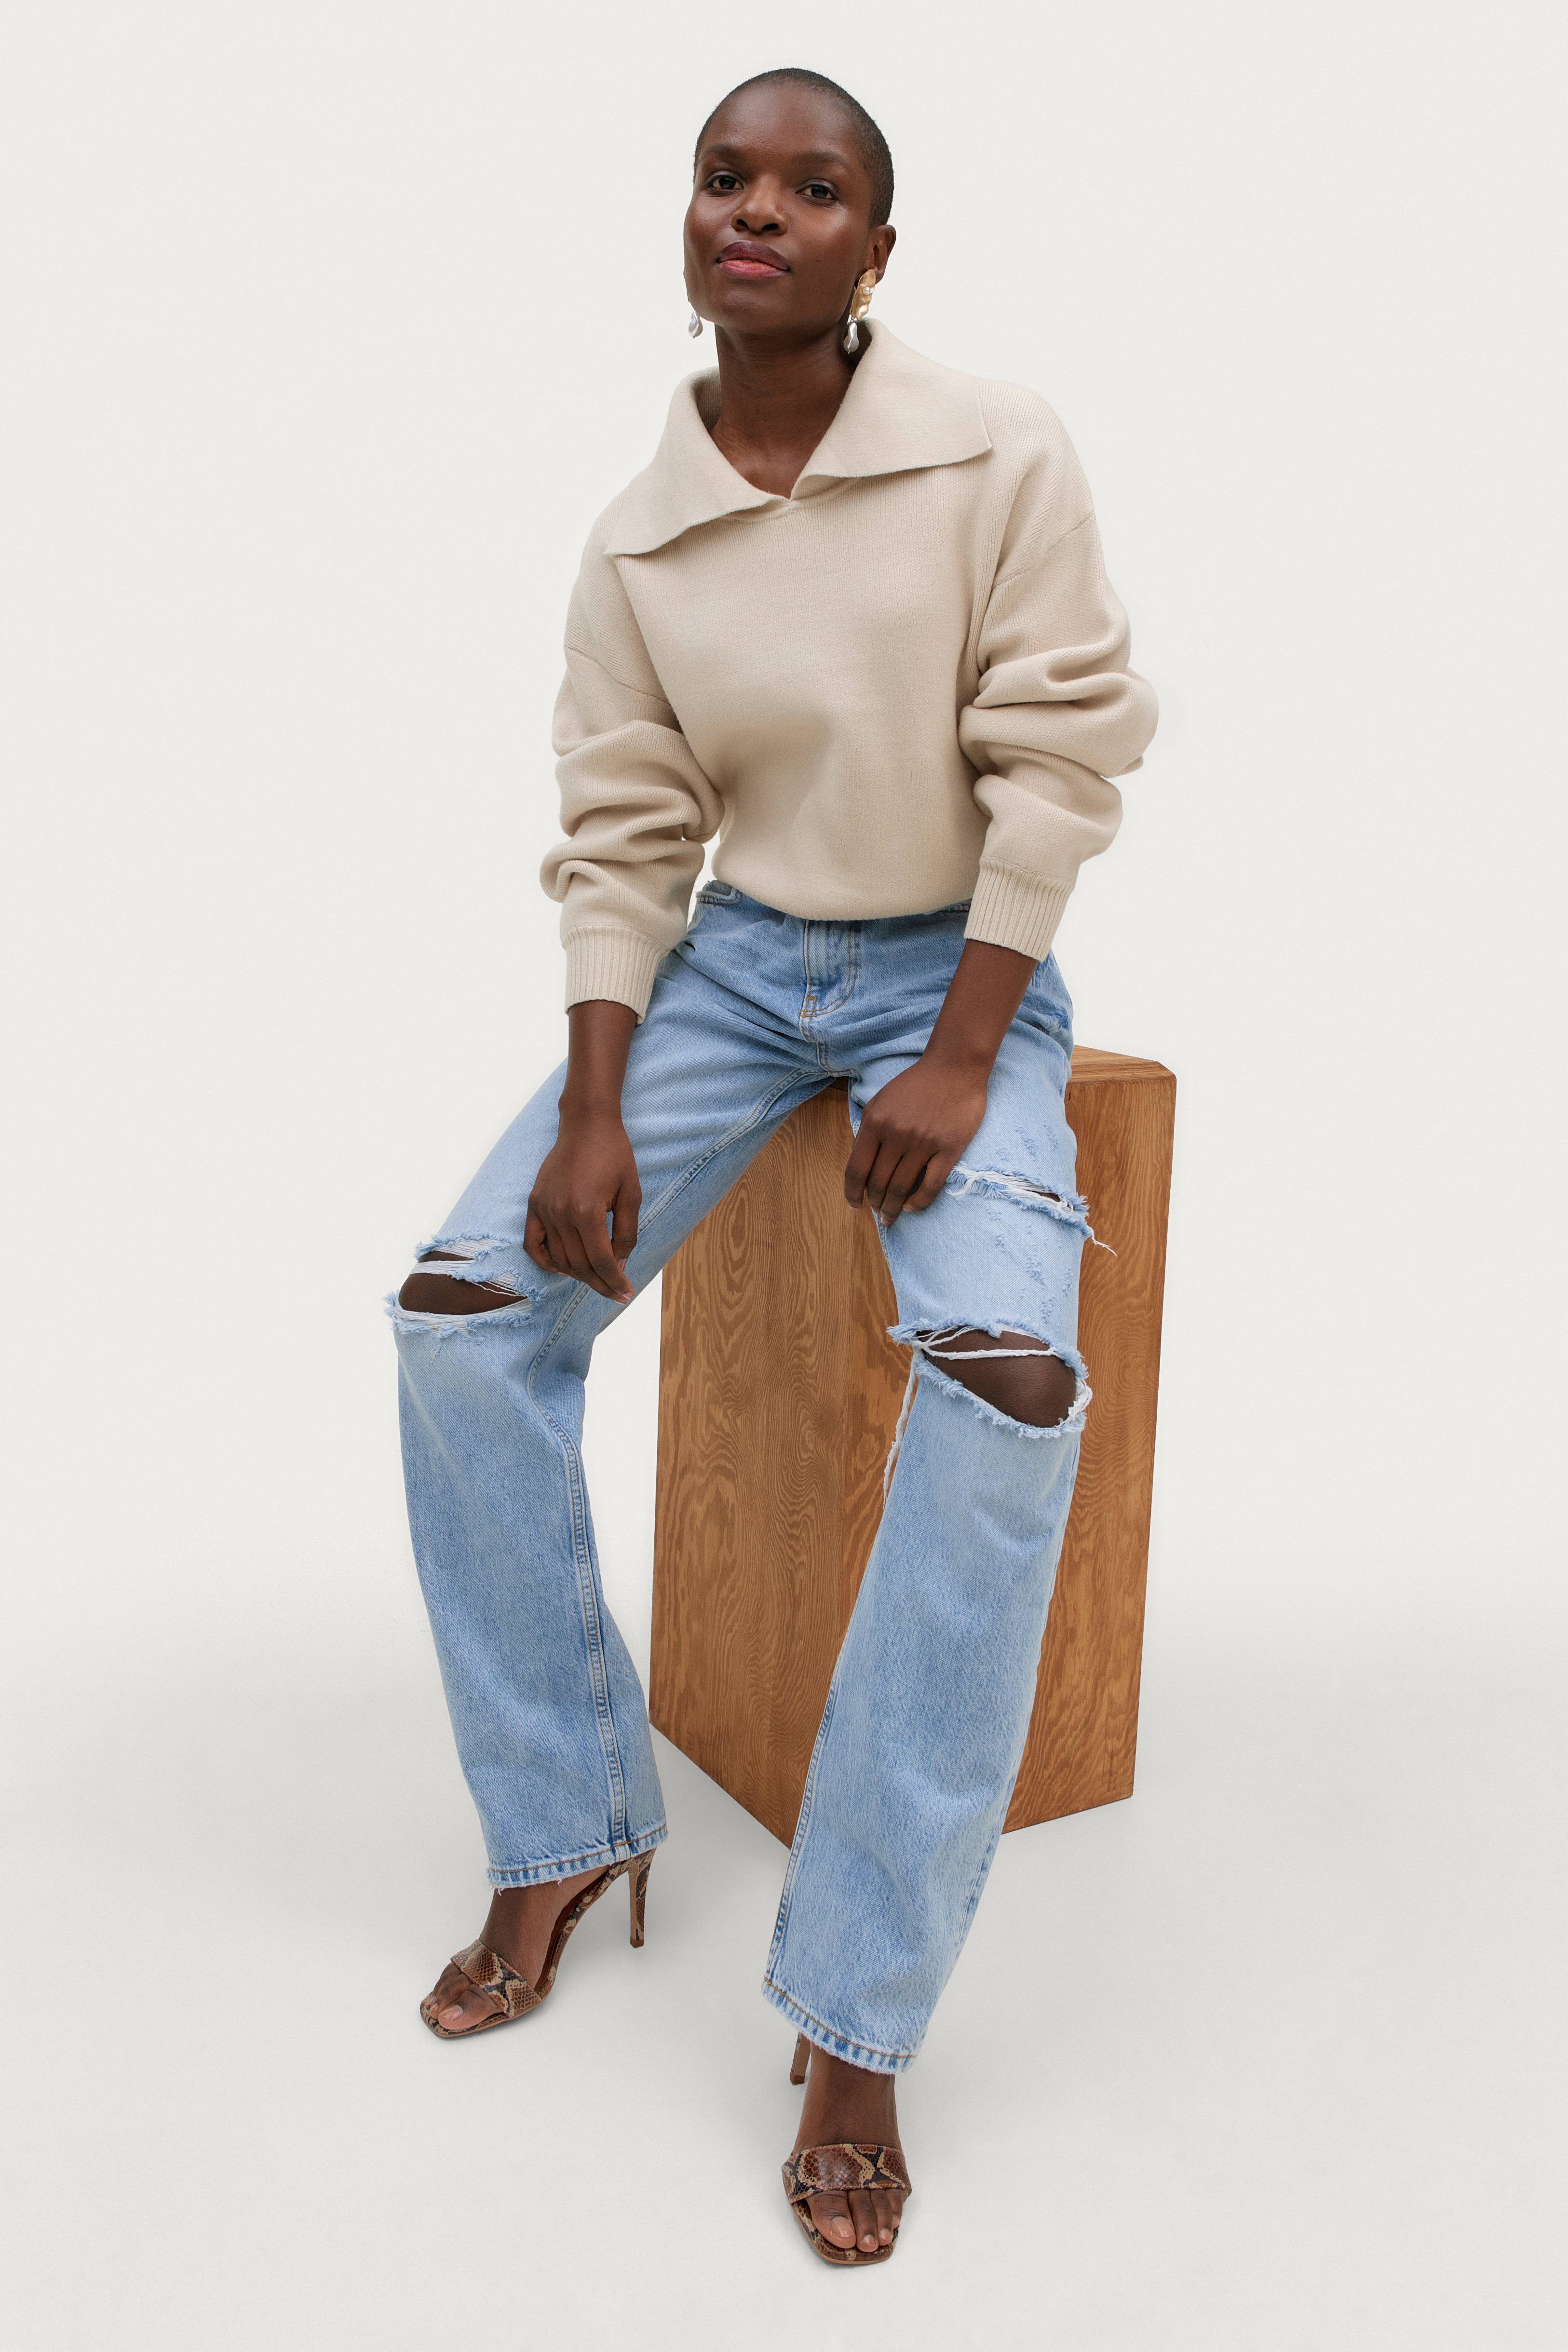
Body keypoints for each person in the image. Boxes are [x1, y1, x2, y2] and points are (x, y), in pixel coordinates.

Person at [390, 65, 1157, 2267]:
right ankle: (564, 1821)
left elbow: (1063, 762)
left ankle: (855, 2015)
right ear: (690, 223)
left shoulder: (996, 449)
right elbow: (626, 829)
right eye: (726, 176)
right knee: (458, 1320)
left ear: (874, 253)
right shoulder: (639, 535)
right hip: (730, 971)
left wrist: (964, 1047)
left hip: (952, 965)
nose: (759, 208)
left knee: (1012, 1387)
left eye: (814, 188)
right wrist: (601, 1098)